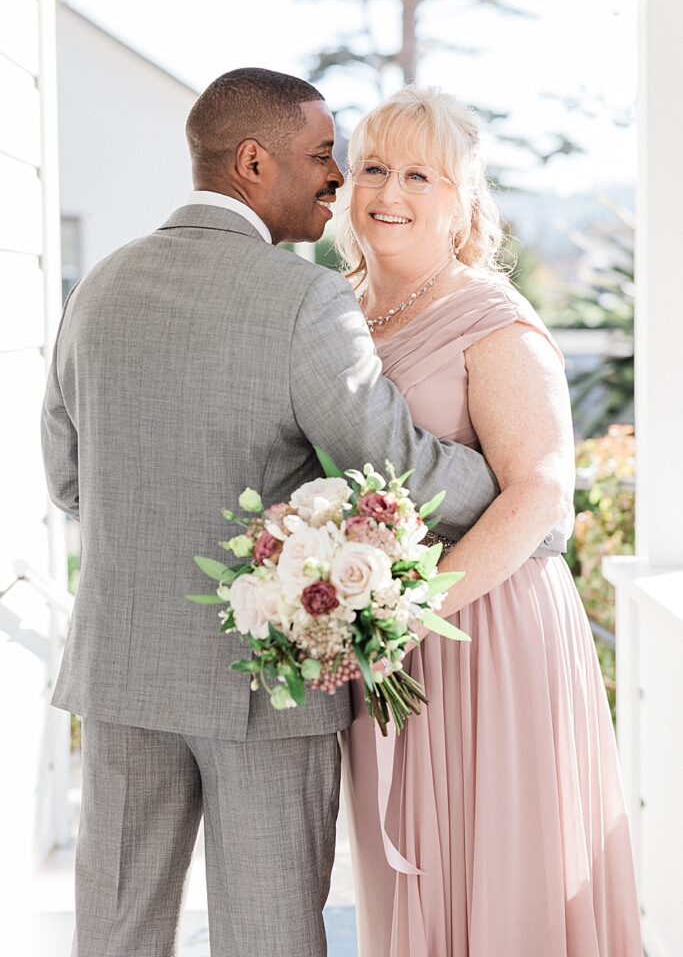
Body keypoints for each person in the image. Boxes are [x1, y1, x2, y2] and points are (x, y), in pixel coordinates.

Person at [41, 69, 565, 957]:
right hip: (267, 679)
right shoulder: (304, 298)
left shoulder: (99, 284)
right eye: (327, 157)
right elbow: (395, 465)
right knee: (268, 938)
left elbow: (66, 477)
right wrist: (524, 496)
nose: (336, 178)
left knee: (116, 935)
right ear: (253, 161)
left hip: (122, 672)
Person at [338, 85, 643, 957]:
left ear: (462, 200)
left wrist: (414, 607)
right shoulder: (339, 314)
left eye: (419, 175)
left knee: (500, 878)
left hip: (485, 629)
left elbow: (543, 490)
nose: (389, 193)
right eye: (372, 168)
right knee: (409, 882)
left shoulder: (493, 320)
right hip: (384, 631)